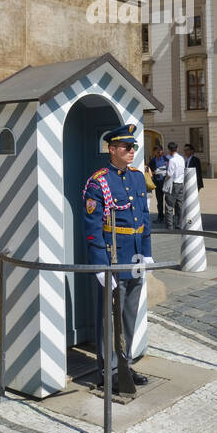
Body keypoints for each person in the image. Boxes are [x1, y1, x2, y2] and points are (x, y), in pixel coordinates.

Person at [83, 124, 151, 392]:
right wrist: (100, 266)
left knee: (130, 314)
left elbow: (143, 217)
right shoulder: (99, 181)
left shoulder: (136, 177)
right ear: (112, 150)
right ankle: (108, 371)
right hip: (112, 257)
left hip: (133, 256)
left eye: (133, 147)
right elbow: (92, 227)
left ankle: (125, 363)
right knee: (109, 318)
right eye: (126, 147)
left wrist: (146, 252)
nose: (131, 151)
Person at [163, 141, 186, 231]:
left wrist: (164, 177)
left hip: (173, 184)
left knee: (169, 205)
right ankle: (179, 224)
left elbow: (170, 173)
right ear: (177, 148)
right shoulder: (181, 158)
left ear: (169, 150)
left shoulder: (172, 160)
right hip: (181, 183)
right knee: (179, 205)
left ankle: (170, 226)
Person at [147, 142, 169, 223]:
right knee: (159, 201)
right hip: (158, 183)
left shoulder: (166, 160)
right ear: (154, 152)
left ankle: (168, 218)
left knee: (168, 201)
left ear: (162, 151)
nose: (159, 152)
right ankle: (160, 217)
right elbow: (149, 171)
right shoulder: (152, 161)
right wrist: (153, 173)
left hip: (166, 183)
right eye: (157, 151)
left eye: (160, 150)